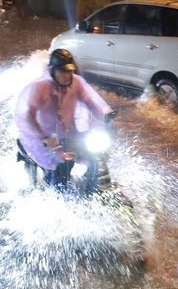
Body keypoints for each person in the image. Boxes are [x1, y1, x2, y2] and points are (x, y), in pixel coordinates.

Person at [15, 48, 113, 186]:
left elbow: (91, 101)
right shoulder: (39, 87)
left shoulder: (77, 82)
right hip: (44, 139)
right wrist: (44, 138)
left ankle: (94, 187)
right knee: (64, 163)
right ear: (53, 71)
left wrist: (106, 116)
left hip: (70, 134)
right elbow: (28, 116)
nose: (67, 76)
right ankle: (60, 195)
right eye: (62, 72)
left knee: (97, 157)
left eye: (69, 71)